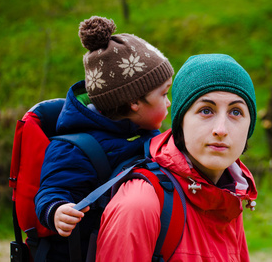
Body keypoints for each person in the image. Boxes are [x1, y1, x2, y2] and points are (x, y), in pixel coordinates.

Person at [34, 16, 174, 261]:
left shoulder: (143, 131)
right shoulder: (73, 149)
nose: (169, 102)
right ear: (134, 102)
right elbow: (51, 189)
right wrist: (57, 210)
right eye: (163, 94)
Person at [96, 54, 258, 261]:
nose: (221, 129)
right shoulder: (140, 203)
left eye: (236, 112)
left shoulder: (229, 196)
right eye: (206, 110)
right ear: (181, 122)